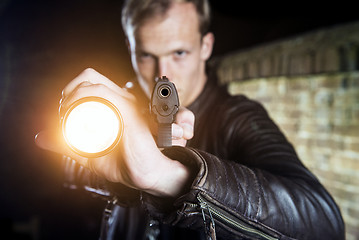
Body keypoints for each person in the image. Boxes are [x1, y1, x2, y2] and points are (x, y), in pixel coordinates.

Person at [35, 0, 345, 239]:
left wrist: (168, 177)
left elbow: (324, 225)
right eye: (146, 55)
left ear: (205, 46)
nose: (162, 73)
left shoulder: (237, 117)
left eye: (179, 53)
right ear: (130, 49)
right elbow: (65, 164)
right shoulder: (117, 108)